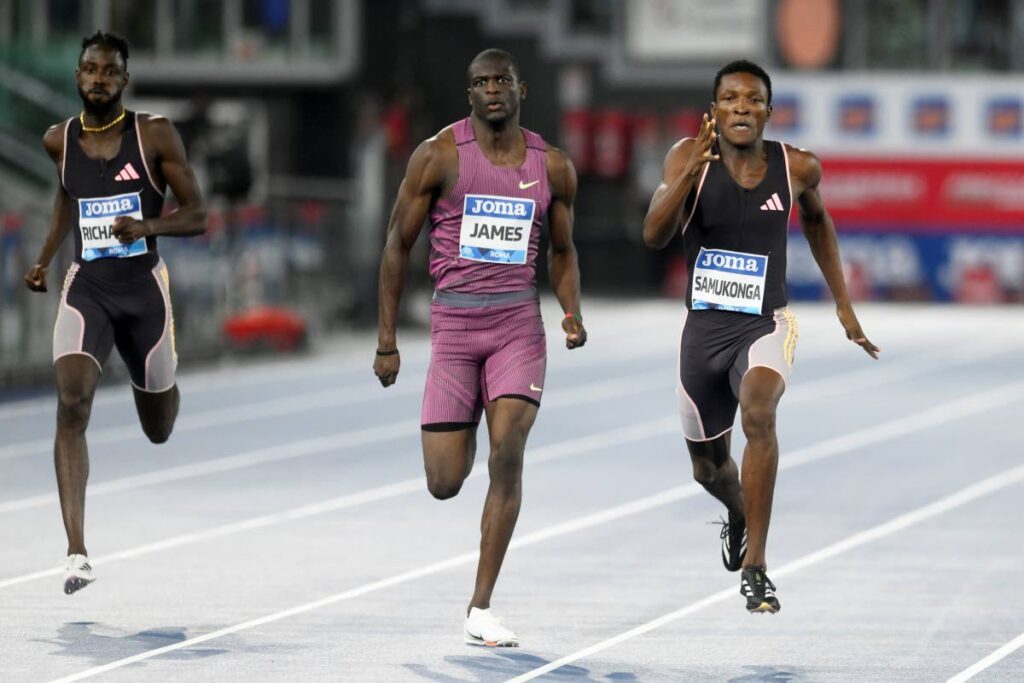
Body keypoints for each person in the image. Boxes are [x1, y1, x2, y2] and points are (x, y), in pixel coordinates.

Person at [642, 60, 879, 614]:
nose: (742, 108)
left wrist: (844, 307)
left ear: (770, 112)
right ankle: (739, 513)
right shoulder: (687, 158)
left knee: (759, 411)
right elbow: (653, 235)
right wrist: (688, 173)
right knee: (707, 467)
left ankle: (757, 569)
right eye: (730, 99)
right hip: (703, 330)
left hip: (764, 324)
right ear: (715, 110)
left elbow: (818, 222)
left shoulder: (797, 168)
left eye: (753, 100)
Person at [373, 48, 586, 646]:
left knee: (508, 449)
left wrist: (570, 311)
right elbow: (397, 245)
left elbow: (563, 252)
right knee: (444, 482)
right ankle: (463, 414)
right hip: (455, 327)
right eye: (481, 83)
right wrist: (387, 340)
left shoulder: (555, 167)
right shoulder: (438, 156)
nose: (493, 90)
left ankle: (481, 604)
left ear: (521, 89)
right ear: (470, 94)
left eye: (502, 81)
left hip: (518, 322)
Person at [23, 31, 207, 595]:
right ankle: (76, 550)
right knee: (71, 402)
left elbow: (197, 214)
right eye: (89, 69)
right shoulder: (59, 140)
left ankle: (160, 383)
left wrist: (147, 226)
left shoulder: (153, 134)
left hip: (143, 291)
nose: (98, 79)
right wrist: (45, 259)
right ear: (77, 77)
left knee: (158, 428)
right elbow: (66, 197)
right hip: (90, 288)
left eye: (109, 71)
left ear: (123, 80)